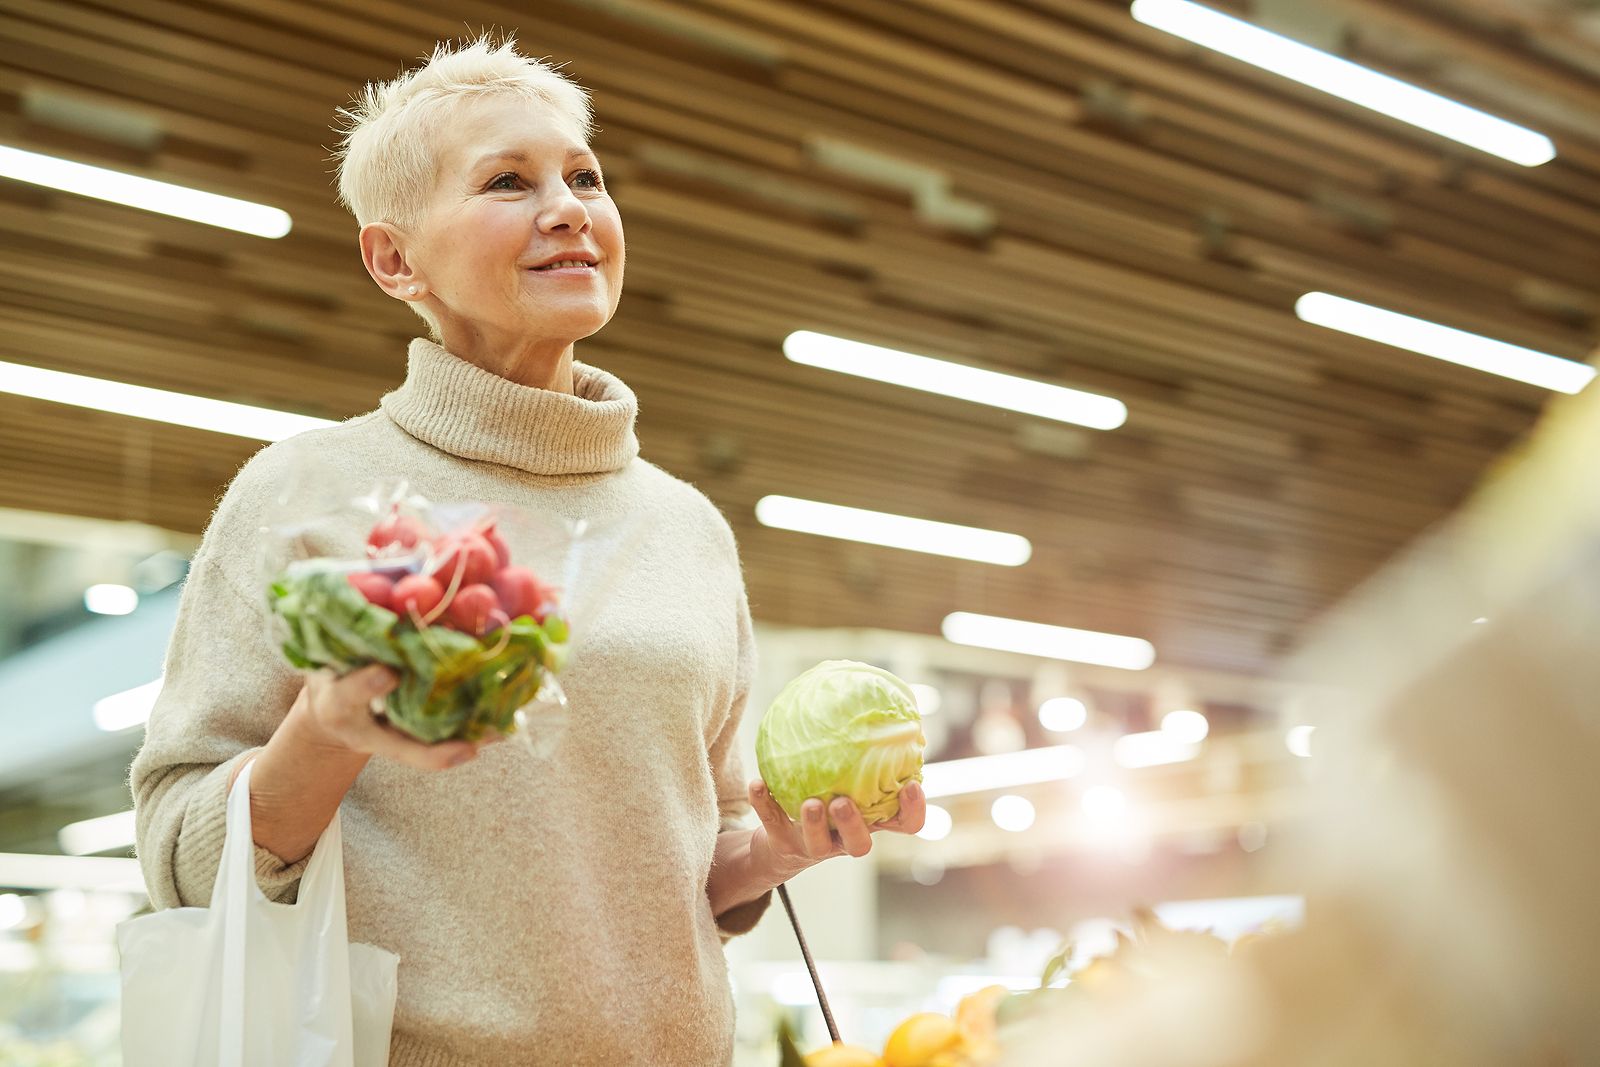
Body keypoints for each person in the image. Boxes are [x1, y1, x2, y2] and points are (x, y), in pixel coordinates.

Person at [130, 36, 925, 1066]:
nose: (568, 207)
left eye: (584, 176)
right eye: (509, 180)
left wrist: (771, 848)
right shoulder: (300, 495)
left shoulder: (686, 527)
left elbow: (698, 852)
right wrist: (329, 728)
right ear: (393, 259)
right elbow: (176, 853)